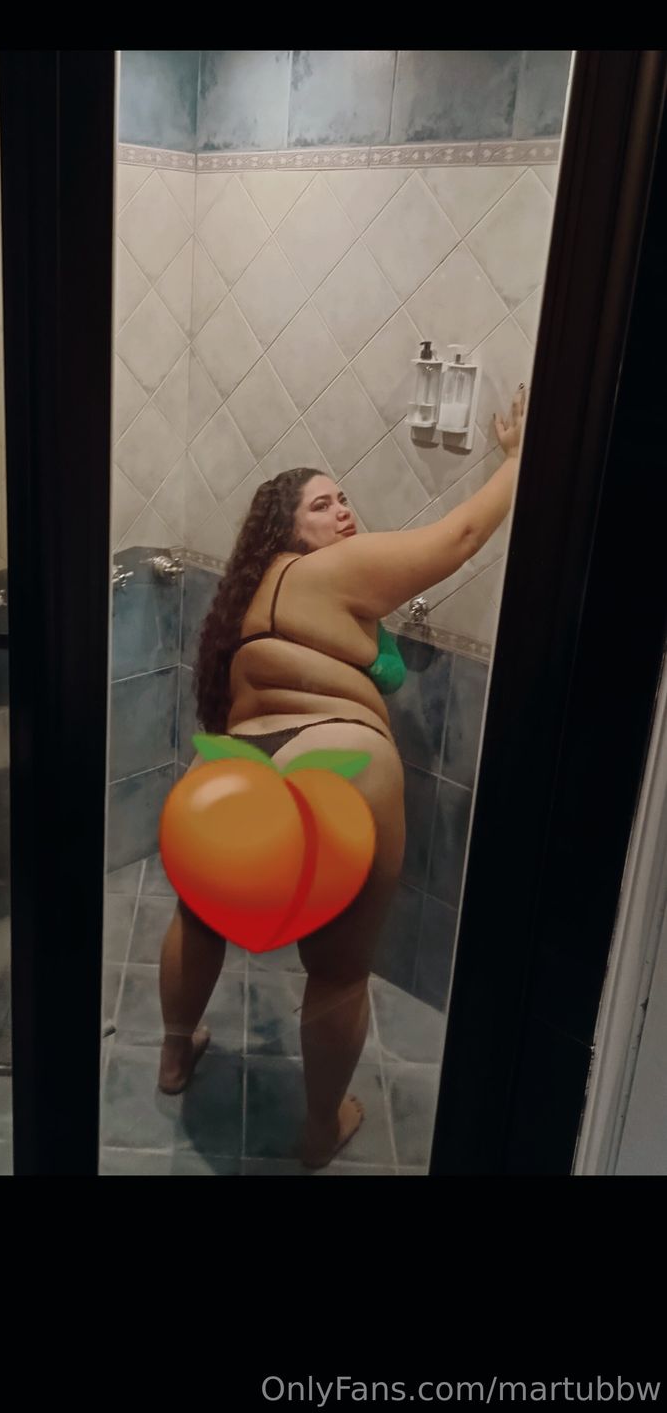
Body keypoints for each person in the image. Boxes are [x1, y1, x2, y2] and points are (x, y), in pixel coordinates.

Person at [157, 388, 526, 1168]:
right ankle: (321, 1127)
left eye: (346, 498)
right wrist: (520, 458)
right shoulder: (330, 571)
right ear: (288, 528)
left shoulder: (244, 596)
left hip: (230, 770)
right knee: (338, 972)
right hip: (332, 763)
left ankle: (174, 1052)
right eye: (322, 505)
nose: (343, 513)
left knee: (198, 917)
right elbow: (460, 536)